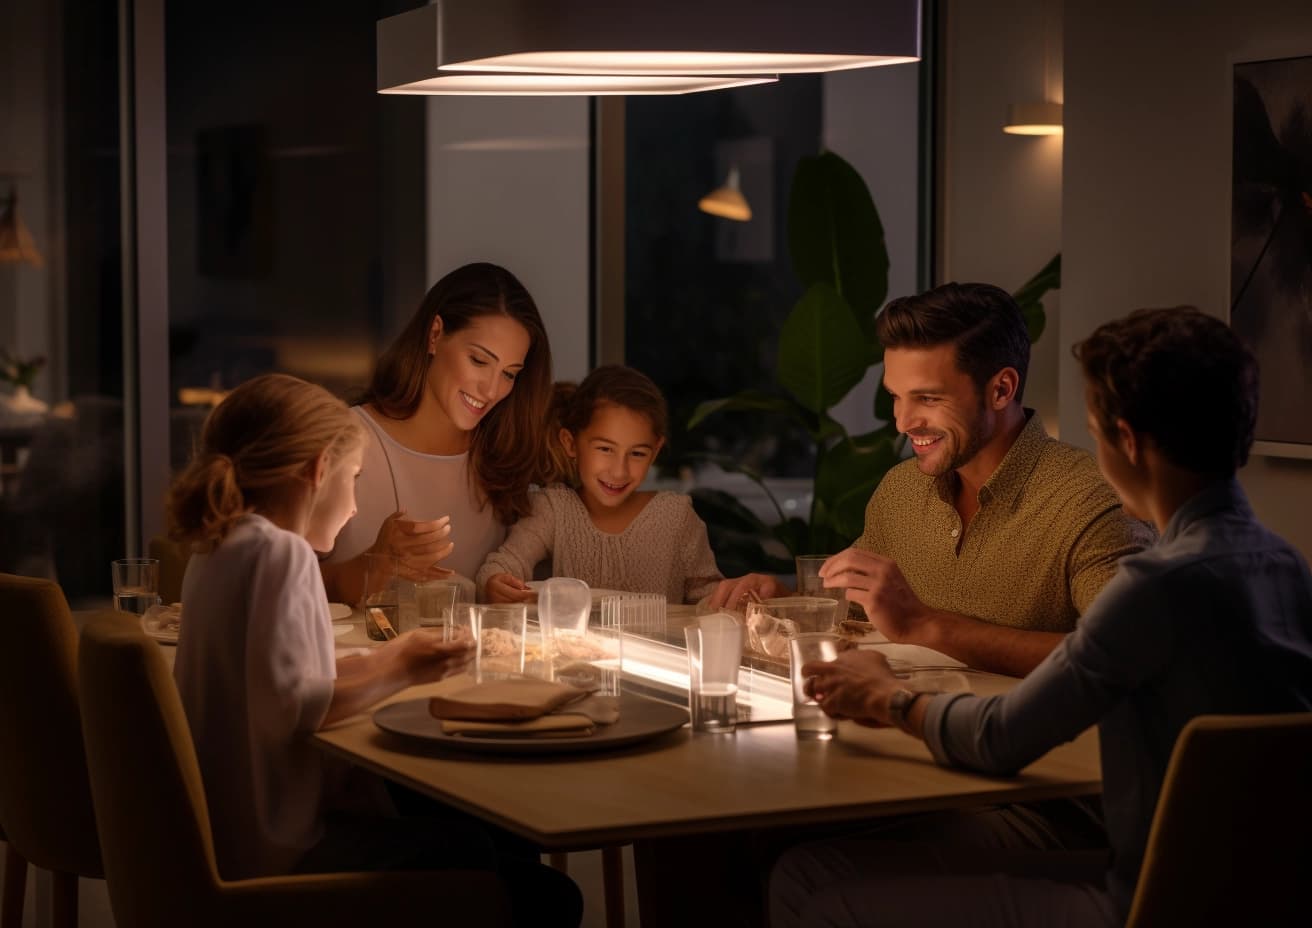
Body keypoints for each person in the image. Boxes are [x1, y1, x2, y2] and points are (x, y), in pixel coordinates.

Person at [771, 306, 1312, 928]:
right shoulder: (1285, 565)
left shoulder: (1153, 588)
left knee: (807, 884)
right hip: (1259, 889)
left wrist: (888, 698)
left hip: (1146, 894)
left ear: (1127, 443)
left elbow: (1002, 738)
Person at [169, 373, 582, 925]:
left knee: (466, 836)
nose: (355, 499)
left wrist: (394, 655)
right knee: (521, 878)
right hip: (284, 851)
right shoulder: (281, 555)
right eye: (354, 476)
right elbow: (301, 709)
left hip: (225, 839)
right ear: (318, 471)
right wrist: (406, 666)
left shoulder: (218, 550)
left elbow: (277, 681)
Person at [711, 282, 1153, 678]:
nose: (903, 422)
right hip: (903, 733)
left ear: (1000, 390)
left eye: (927, 398)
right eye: (896, 398)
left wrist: (926, 625)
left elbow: (1124, 656)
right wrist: (781, 600)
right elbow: (859, 620)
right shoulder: (901, 490)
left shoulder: (1092, 500)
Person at [321, 262, 553, 605]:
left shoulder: (503, 460)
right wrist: (375, 566)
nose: (490, 390)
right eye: (479, 360)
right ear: (435, 335)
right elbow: (280, 585)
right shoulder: (342, 439)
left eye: (509, 374)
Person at [476, 364, 723, 603]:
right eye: (605, 449)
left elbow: (710, 597)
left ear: (655, 450)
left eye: (637, 453)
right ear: (571, 443)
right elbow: (505, 563)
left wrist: (735, 600)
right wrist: (495, 583)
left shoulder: (676, 517)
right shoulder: (553, 509)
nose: (619, 471)